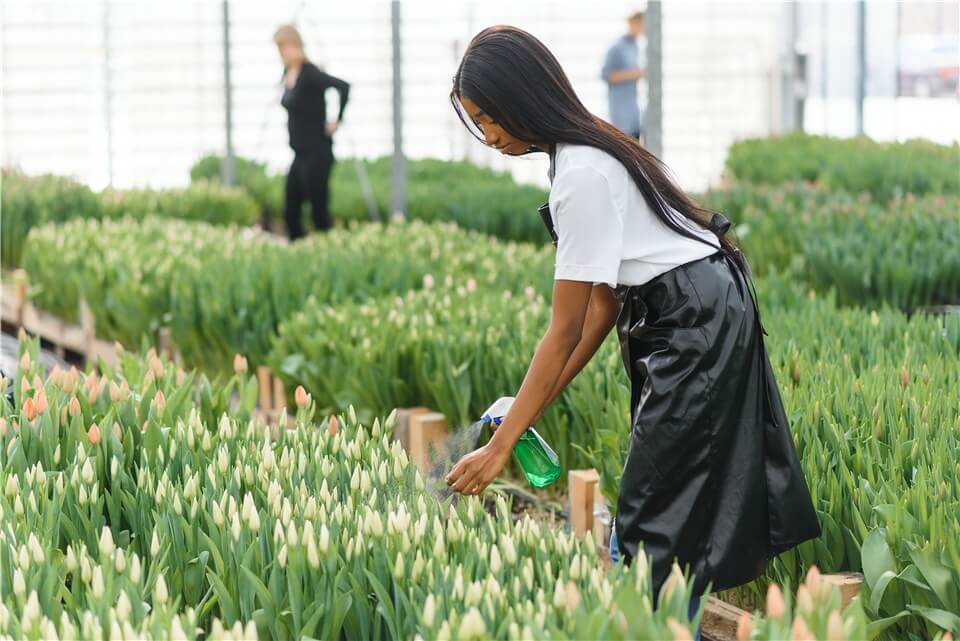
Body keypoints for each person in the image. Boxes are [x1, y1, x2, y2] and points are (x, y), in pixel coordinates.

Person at [444, 25, 821, 640]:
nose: (488, 136)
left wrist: (501, 445)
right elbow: (599, 310)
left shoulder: (581, 176)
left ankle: (657, 628)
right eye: (476, 122)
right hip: (685, 310)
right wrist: (525, 411)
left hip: (691, 322)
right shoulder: (580, 154)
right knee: (662, 508)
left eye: (489, 118)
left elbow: (563, 330)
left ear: (520, 96)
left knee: (654, 519)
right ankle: (669, 624)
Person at [273, 25, 350, 240]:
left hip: (317, 153)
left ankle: (327, 253)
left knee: (318, 211)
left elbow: (343, 87)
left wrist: (337, 120)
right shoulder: (287, 73)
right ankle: (302, 254)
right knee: (291, 210)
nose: (282, 54)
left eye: (284, 48)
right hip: (299, 153)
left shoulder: (310, 73)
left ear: (295, 46)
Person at [602, 11, 646, 140]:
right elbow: (606, 75)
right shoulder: (616, 47)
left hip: (633, 112)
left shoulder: (635, 46)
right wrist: (634, 74)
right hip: (620, 113)